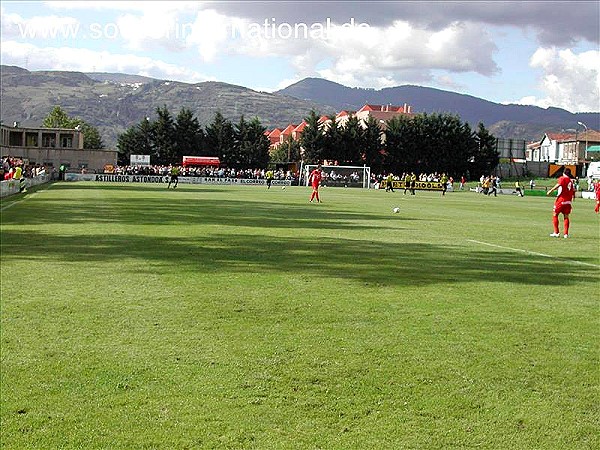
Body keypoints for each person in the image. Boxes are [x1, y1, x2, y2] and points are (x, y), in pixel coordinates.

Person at [546, 168, 576, 238]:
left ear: (563, 173)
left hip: (561, 200)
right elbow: (573, 190)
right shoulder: (570, 181)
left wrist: (550, 190)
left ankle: (556, 232)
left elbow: (558, 185)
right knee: (566, 216)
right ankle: (566, 234)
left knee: (555, 214)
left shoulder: (562, 178)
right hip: (568, 201)